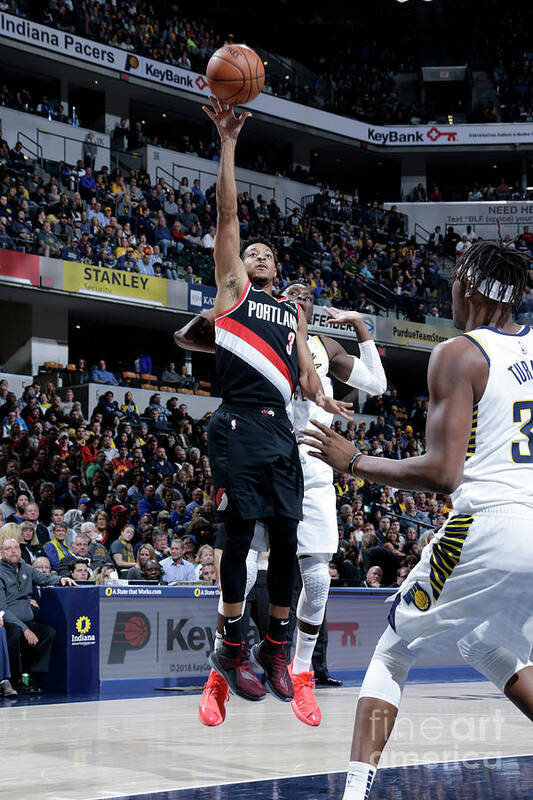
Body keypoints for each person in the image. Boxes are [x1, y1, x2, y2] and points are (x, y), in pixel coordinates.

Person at [299, 241, 533, 800]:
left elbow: (443, 474)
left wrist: (354, 461)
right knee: (483, 644)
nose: (449, 289)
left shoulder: (459, 354)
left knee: (394, 650)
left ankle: (354, 793)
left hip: (493, 522)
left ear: (471, 288)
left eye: (455, 280)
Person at [176, 96, 351, 707]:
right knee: (238, 530)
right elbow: (227, 216)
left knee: (286, 540)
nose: (255, 256)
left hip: (283, 431)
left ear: (277, 268)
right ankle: (230, 642)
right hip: (237, 422)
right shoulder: (233, 293)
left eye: (265, 255)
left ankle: (276, 648)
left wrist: (329, 400)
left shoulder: (289, 317)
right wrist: (227, 144)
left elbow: (307, 379)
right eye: (250, 253)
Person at [177, 280, 386, 725]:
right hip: (264, 456)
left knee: (317, 581)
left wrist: (362, 328)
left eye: (307, 293)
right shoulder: (264, 331)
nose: (300, 297)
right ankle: (220, 673)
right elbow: (192, 338)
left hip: (313, 473)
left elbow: (378, 384)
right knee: (246, 566)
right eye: (290, 292)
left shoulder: (324, 347)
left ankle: (302, 672)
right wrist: (216, 321)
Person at [0, 538, 75, 693]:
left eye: (16, 547)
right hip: (9, 621)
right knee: (14, 634)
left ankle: (33, 677)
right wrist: (25, 629)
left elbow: (45, 578)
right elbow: (2, 609)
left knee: (48, 632)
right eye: (8, 548)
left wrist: (61, 579)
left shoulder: (26, 568)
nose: (13, 551)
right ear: (1, 553)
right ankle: (15, 679)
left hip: (28, 620)